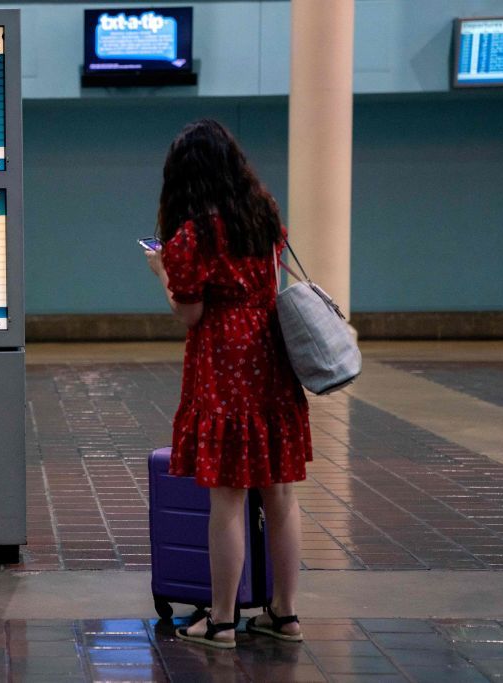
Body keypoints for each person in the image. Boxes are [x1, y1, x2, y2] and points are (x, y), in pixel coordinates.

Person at [146, 119, 312, 649]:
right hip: (270, 361)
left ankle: (219, 621)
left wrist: (161, 274)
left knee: (228, 498)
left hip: (223, 367)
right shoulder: (263, 217)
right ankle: (285, 615)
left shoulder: (192, 235)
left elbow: (191, 313)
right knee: (280, 493)